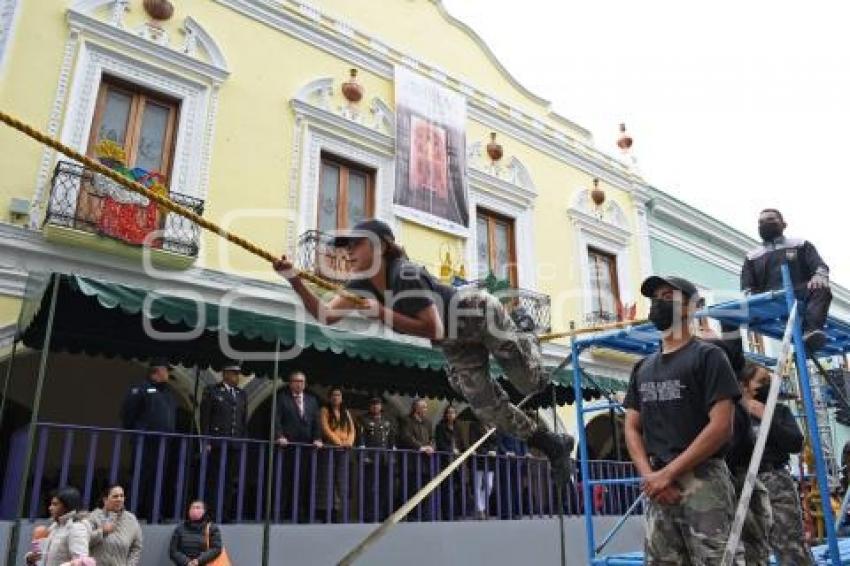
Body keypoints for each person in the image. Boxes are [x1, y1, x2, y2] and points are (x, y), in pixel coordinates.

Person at [273, 218, 573, 482]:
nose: (347, 252)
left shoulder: (404, 274)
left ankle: (525, 331)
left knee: (531, 383)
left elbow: (433, 327)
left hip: (477, 316)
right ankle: (550, 443)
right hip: (455, 343)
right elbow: (326, 315)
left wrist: (380, 312)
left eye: (355, 244)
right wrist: (294, 280)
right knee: (486, 407)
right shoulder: (361, 285)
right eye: (345, 246)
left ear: (380, 247)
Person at [623, 275, 743, 563]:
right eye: (654, 298)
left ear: (690, 307)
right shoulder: (643, 368)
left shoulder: (709, 356)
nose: (657, 303)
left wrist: (668, 473)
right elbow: (631, 426)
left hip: (703, 481)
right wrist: (651, 476)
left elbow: (721, 426)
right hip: (657, 486)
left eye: (667, 296)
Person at [740, 362, 814, 565]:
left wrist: (766, 417)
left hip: (777, 482)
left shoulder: (779, 411)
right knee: (750, 548)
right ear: (745, 386)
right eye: (762, 381)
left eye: (769, 380)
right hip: (746, 483)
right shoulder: (735, 415)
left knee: (791, 546)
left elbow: (795, 443)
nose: (768, 385)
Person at [741, 208, 832, 350]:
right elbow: (747, 285)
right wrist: (752, 298)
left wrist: (819, 276)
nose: (765, 223)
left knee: (822, 287)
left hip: (799, 293)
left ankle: (811, 331)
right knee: (734, 312)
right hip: (768, 298)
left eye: (771, 220)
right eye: (761, 222)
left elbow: (820, 266)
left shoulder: (800, 244)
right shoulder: (752, 256)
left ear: (784, 224)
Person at [120, 358, 177, 520]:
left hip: (163, 443)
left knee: (158, 478)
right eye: (166, 370)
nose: (168, 374)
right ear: (157, 371)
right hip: (145, 441)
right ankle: (132, 513)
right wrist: (137, 431)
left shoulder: (167, 393)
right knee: (140, 476)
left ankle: (153, 512)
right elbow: (128, 413)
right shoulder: (140, 388)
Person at [199, 362, 247, 522]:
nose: (237, 377)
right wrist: (206, 440)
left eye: (237, 373)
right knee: (213, 480)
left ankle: (225, 513)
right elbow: (205, 417)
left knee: (229, 480)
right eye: (233, 373)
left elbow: (242, 419)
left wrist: (241, 440)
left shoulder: (241, 394)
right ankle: (210, 513)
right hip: (217, 443)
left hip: (234, 444)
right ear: (225, 374)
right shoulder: (212, 391)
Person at [274, 371, 322, 522]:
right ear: (290, 383)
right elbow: (276, 420)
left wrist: (317, 438)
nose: (299, 384)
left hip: (306, 447)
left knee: (302, 480)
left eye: (302, 381)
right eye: (296, 381)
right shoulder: (282, 398)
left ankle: (299, 514)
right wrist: (279, 436)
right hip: (286, 446)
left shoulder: (312, 400)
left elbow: (316, 422)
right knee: (284, 480)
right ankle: (279, 514)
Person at [25, 487, 91, 566]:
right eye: (51, 504)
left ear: (68, 506)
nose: (50, 508)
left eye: (55, 504)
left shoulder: (76, 528)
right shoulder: (55, 526)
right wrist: (32, 559)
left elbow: (82, 562)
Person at [319, 387, 356, 522]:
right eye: (333, 395)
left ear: (342, 398)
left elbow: (352, 430)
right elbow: (325, 428)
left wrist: (349, 443)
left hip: (344, 450)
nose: (336, 397)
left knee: (341, 481)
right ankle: (327, 512)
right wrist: (338, 442)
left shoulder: (345, 412)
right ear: (329, 397)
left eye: (338, 395)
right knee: (328, 481)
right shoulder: (325, 410)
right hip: (330, 449)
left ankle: (339, 512)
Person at [358, 397, 395, 521]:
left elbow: (391, 439)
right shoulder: (363, 419)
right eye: (373, 404)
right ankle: (369, 516)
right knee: (369, 489)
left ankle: (383, 515)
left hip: (385, 459)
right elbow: (361, 439)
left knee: (384, 488)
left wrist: (392, 456)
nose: (375, 406)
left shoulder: (387, 420)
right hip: (370, 459)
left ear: (381, 406)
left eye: (378, 404)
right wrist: (364, 456)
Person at [398, 398, 435, 520]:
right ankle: (411, 516)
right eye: (423, 407)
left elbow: (432, 438)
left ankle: (423, 515)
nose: (426, 409)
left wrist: (431, 447)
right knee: (412, 488)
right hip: (412, 462)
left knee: (425, 489)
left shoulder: (428, 422)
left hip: (426, 462)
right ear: (416, 408)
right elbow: (406, 437)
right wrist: (421, 447)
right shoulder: (407, 420)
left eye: (426, 407)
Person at [87, 484, 143, 566]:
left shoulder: (131, 520)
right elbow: (85, 541)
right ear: (105, 500)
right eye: (115, 496)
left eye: (122, 496)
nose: (119, 499)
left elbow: (136, 548)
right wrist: (102, 531)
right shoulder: (94, 517)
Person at [169, 500, 222, 566]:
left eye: (198, 507)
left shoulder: (212, 528)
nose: (194, 510)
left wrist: (198, 561)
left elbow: (216, 548)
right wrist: (187, 562)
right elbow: (173, 551)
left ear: (204, 511)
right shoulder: (180, 528)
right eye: (192, 507)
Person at [435, 405, 465, 520]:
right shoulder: (440, 427)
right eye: (449, 413)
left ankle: (457, 513)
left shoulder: (458, 428)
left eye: (453, 413)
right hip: (446, 462)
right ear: (445, 414)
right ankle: (447, 515)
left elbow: (462, 444)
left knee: (458, 488)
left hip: (457, 462)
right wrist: (451, 450)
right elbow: (440, 444)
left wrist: (464, 451)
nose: (451, 415)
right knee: (446, 489)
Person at [469, 416, 498, 520]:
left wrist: (494, 450)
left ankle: (481, 507)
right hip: (479, 458)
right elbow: (473, 442)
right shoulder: (474, 425)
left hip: (490, 460)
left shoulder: (492, 425)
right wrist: (486, 452)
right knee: (478, 485)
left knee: (489, 485)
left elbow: (495, 441)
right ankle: (480, 510)